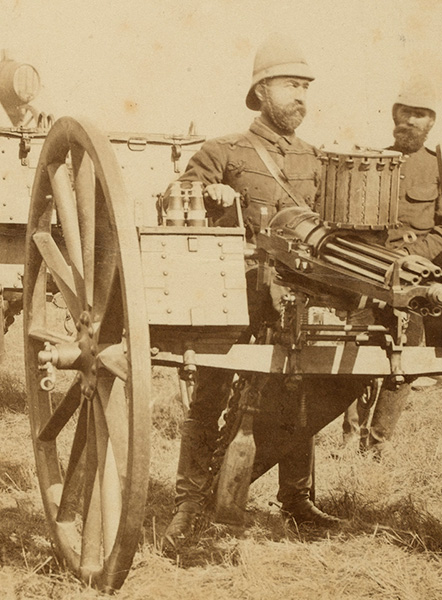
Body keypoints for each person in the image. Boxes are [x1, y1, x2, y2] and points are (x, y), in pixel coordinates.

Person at [162, 34, 342, 553]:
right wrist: (212, 194)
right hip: (234, 298)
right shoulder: (223, 151)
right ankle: (188, 505)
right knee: (211, 397)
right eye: (291, 85)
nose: (301, 96)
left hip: (298, 297)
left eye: (306, 86)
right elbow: (175, 199)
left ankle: (297, 500)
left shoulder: (317, 158)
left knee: (299, 394)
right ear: (262, 90)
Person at [341, 74, 442, 459]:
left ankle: (378, 443)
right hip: (368, 271)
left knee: (407, 359)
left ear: (431, 122)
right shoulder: (372, 162)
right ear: (394, 115)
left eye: (419, 115)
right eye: (405, 113)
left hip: (413, 275)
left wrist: (416, 257)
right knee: (352, 351)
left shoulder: (440, 169)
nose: (410, 122)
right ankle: (350, 435)